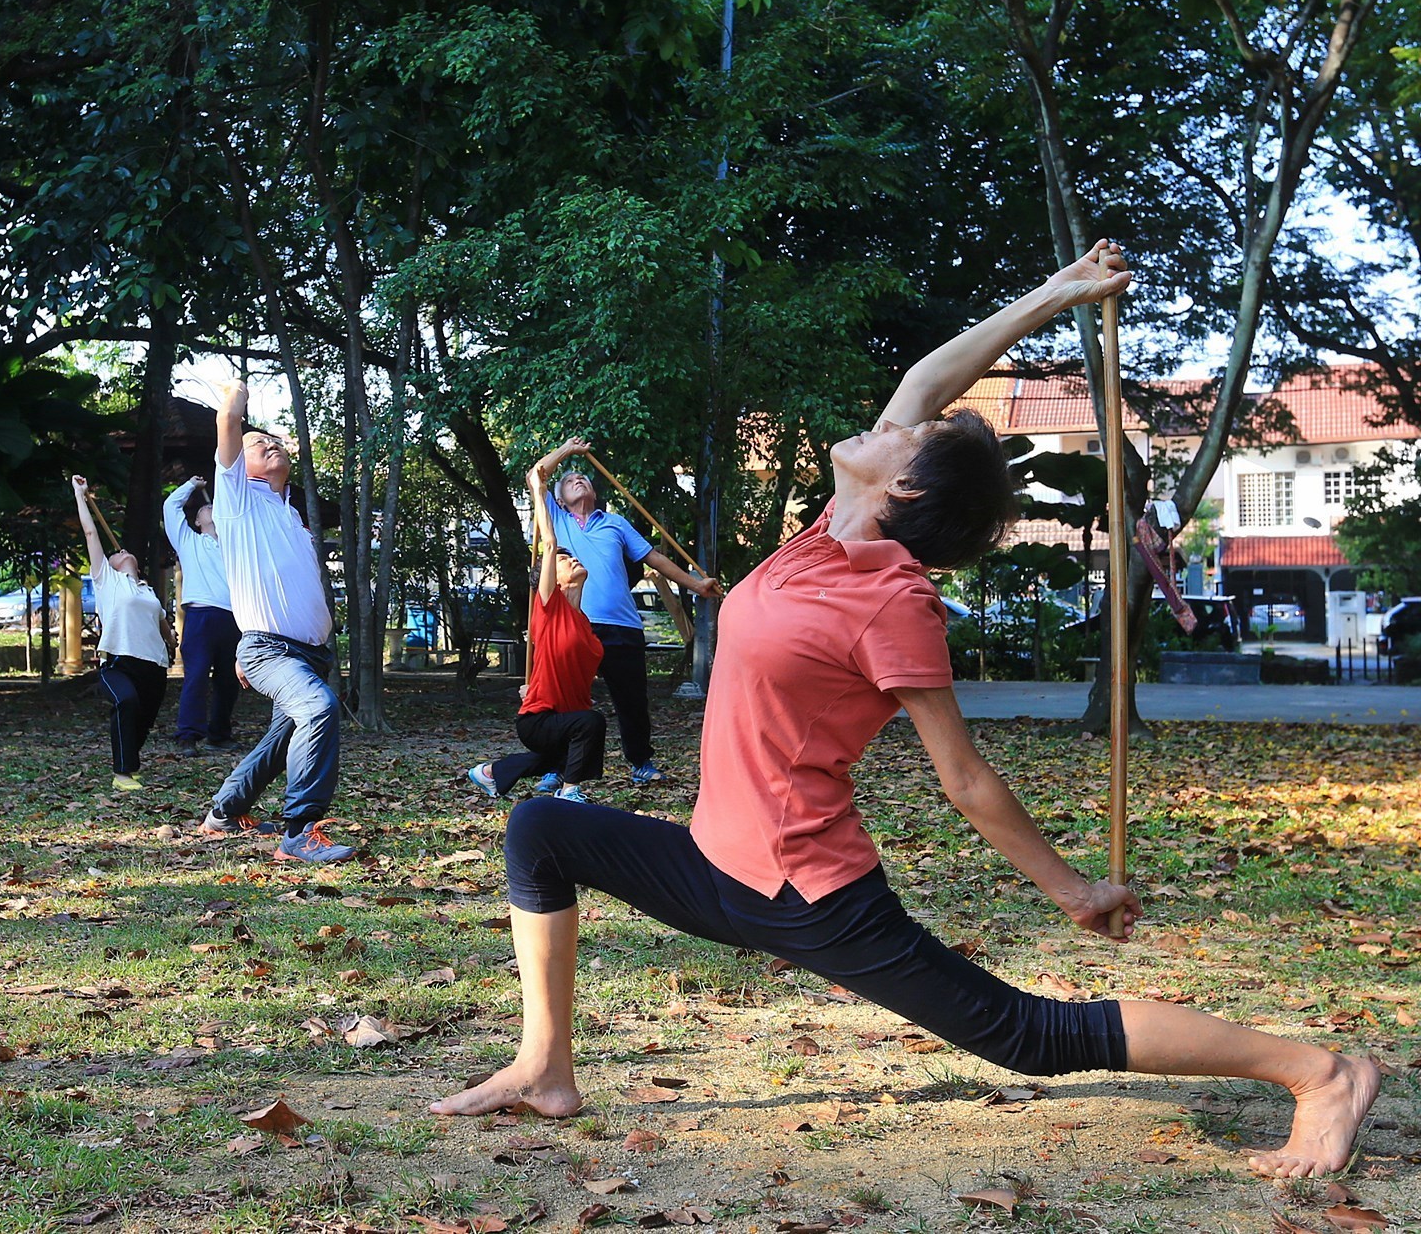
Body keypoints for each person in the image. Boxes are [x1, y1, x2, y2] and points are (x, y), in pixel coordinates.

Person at [431, 243, 1379, 1180]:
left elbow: (962, 776)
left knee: (1032, 1035)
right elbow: (929, 377)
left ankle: (1320, 1073)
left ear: (905, 488)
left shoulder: (892, 601)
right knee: (541, 829)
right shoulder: (825, 537)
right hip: (715, 860)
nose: (893, 420)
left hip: (805, 890)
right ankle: (545, 1065)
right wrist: (1057, 292)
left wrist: (1072, 890)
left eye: (908, 436)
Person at [200, 379, 355, 864]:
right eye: (256, 442)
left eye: (275, 441)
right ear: (239, 466)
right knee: (319, 708)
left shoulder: (288, 513)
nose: (269, 443)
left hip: (309, 652)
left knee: (280, 739)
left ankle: (223, 814)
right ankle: (300, 830)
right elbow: (228, 423)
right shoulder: (237, 501)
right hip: (270, 649)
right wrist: (235, 395)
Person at [532, 438, 720, 786]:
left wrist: (696, 585)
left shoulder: (615, 523)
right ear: (559, 499)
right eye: (571, 480)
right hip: (576, 626)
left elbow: (654, 559)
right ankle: (557, 768)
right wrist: (569, 451)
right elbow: (539, 473)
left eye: (584, 479)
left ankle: (641, 763)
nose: (579, 480)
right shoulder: (555, 519)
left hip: (622, 626)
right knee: (566, 699)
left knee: (632, 701)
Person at [466, 461, 606, 803]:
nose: (570, 559)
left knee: (563, 752)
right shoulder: (547, 607)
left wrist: (537, 684)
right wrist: (538, 490)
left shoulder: (583, 625)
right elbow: (549, 542)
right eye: (562, 559)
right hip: (538, 719)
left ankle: (490, 773)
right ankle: (570, 792)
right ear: (549, 578)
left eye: (570, 556)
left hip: (559, 716)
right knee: (591, 724)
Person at [72, 476, 175, 790]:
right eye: (117, 553)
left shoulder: (149, 594)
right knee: (126, 702)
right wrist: (80, 495)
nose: (122, 552)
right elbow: (91, 531)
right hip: (119, 662)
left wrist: (172, 642)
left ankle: (130, 763)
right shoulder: (107, 580)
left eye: (125, 552)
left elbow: (164, 630)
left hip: (155, 666)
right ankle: (121, 774)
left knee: (142, 722)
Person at [163, 476, 241, 755]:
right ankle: (188, 735)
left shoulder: (236, 547)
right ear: (197, 522)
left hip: (233, 616)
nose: (210, 510)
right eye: (204, 511)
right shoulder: (189, 542)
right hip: (200, 615)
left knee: (229, 679)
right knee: (195, 676)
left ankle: (219, 734)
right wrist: (191, 486)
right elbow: (170, 505)